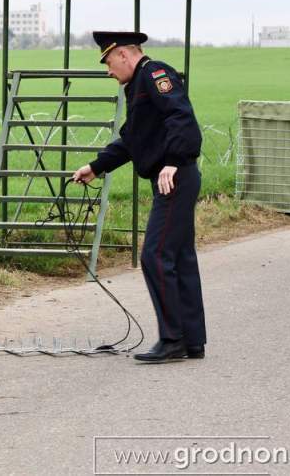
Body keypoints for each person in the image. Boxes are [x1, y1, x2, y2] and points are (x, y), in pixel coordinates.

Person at [72, 31, 206, 363]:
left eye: (108, 62)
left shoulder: (155, 73)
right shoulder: (138, 86)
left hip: (173, 177)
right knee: (180, 257)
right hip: (175, 176)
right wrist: (96, 166)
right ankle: (192, 341)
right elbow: (133, 139)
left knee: (155, 255)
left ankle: (172, 339)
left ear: (122, 54)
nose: (107, 71)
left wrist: (173, 161)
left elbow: (182, 116)